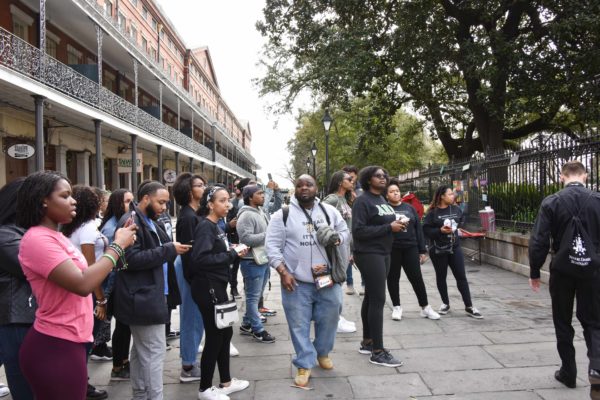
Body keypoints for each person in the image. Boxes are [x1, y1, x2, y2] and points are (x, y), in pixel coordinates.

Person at [16, 171, 136, 400]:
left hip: (70, 339)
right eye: (65, 195)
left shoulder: (57, 236)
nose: (73, 201)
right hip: (56, 344)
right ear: (43, 200)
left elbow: (86, 272)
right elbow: (82, 283)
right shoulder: (37, 240)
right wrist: (118, 246)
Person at [266, 175, 349, 387]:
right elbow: (272, 247)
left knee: (330, 320)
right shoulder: (281, 215)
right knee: (298, 324)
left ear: (316, 187)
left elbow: (345, 232)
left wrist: (336, 238)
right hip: (296, 282)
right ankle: (304, 363)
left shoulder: (329, 212)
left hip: (327, 281)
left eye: (309, 184)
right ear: (295, 189)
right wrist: (283, 271)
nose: (304, 188)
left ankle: (322, 352)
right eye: (300, 185)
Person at [529, 161, 600, 399]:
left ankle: (568, 372)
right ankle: (597, 367)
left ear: (562, 177)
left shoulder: (552, 201)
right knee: (594, 321)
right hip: (592, 270)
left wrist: (535, 270)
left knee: (562, 320)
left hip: (562, 270)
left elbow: (539, 240)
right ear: (586, 176)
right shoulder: (598, 200)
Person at [112, 180, 188, 400]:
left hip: (148, 295)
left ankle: (140, 394)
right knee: (154, 352)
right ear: (146, 199)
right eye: (161, 202)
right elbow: (129, 259)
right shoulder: (131, 221)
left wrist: (172, 248)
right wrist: (168, 249)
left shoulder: (147, 219)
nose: (165, 207)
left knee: (140, 351)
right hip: (142, 298)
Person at [189, 185, 250, 400]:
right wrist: (232, 254)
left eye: (228, 200)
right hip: (208, 288)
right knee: (215, 336)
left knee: (225, 333)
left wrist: (232, 249)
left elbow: (215, 251)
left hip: (217, 286)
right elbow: (200, 259)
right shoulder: (206, 226)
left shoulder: (217, 225)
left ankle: (226, 382)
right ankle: (205, 388)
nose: (228, 204)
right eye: (223, 201)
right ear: (210, 204)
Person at [61, 186, 111, 400]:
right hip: (91, 289)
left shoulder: (71, 227)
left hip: (79, 288)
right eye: (99, 200)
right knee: (85, 341)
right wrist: (100, 299)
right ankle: (82, 384)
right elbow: (90, 266)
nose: (102, 203)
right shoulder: (89, 228)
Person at [352, 166, 405, 367]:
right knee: (379, 299)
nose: (383, 178)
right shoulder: (362, 201)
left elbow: (383, 224)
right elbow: (358, 230)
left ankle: (367, 342)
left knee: (371, 297)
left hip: (384, 252)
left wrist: (397, 225)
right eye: (378, 175)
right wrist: (388, 227)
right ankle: (378, 351)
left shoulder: (382, 200)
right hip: (368, 253)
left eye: (385, 175)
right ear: (368, 179)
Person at [422, 185, 483, 319]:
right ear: (442, 196)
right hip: (438, 249)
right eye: (450, 194)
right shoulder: (432, 212)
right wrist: (440, 231)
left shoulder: (456, 209)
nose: (453, 196)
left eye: (452, 194)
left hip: (454, 247)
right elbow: (425, 230)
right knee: (441, 276)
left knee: (461, 276)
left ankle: (469, 306)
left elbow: (460, 223)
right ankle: (445, 303)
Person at [0, 178, 35, 400]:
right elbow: (37, 269)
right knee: (26, 387)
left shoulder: (26, 232)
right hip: (17, 320)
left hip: (31, 318)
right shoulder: (6, 235)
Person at [385, 180, 440, 321]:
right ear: (386, 195)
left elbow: (418, 229)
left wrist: (422, 250)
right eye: (391, 191)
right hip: (392, 249)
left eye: (397, 190)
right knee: (393, 278)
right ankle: (397, 307)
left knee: (416, 278)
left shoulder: (409, 208)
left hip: (410, 247)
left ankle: (425, 307)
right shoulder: (384, 209)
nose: (395, 193)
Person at [172, 172, 206, 382]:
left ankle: (191, 354)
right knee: (191, 317)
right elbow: (188, 254)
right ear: (189, 190)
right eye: (199, 185)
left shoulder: (194, 213)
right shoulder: (187, 217)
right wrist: (195, 281)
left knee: (196, 318)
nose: (203, 188)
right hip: (190, 273)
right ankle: (188, 364)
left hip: (194, 272)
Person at [99, 189, 134, 381]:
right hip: (113, 281)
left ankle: (123, 361)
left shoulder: (121, 223)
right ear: (118, 203)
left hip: (119, 279)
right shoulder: (112, 227)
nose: (132, 205)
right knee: (121, 324)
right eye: (128, 201)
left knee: (124, 324)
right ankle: (119, 365)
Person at [236, 185, 276, 343]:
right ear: (250, 197)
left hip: (262, 259)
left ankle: (246, 323)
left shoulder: (259, 211)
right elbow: (245, 239)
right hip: (251, 262)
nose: (263, 196)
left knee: (256, 295)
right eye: (259, 194)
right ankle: (257, 330)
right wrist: (269, 235)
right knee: (253, 298)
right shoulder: (246, 215)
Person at [323, 171, 357, 334]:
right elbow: (322, 220)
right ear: (339, 182)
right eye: (349, 179)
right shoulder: (332, 199)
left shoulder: (344, 199)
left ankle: (335, 316)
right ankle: (333, 319)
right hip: (336, 247)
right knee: (336, 281)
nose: (352, 181)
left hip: (345, 246)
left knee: (339, 281)